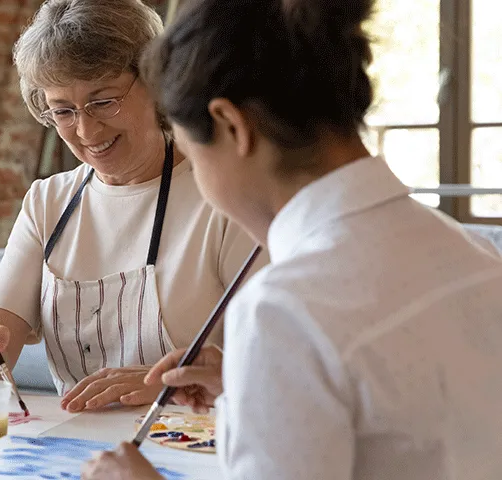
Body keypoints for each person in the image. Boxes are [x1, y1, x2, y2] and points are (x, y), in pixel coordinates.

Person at [82, 0, 502, 478]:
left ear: (232, 127)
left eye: (195, 160)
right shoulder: (477, 255)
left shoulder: (283, 310)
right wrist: (261, 389)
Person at [0, 0, 265, 413]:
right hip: (73, 446)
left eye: (103, 102)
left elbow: (278, 362)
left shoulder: (220, 198)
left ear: (154, 83)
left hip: (191, 446)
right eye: (63, 110)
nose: (86, 129)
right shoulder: (48, 201)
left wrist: (168, 386)